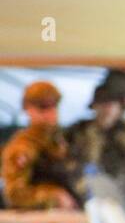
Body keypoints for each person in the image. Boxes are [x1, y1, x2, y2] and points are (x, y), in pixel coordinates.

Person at [2, 80, 80, 210]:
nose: (51, 113)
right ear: (28, 109)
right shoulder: (23, 147)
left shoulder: (62, 141)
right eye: (43, 107)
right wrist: (54, 196)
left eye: (54, 106)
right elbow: (14, 194)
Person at [66, 72, 125, 210]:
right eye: (102, 104)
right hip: (85, 200)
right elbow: (69, 166)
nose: (106, 109)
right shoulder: (78, 133)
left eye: (111, 104)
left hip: (123, 200)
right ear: (95, 106)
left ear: (120, 107)